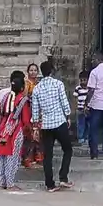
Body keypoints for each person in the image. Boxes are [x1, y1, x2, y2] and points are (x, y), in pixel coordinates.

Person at [31, 59, 74, 192]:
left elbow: (35, 109)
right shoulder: (58, 84)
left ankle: (49, 184)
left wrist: (35, 127)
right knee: (67, 149)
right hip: (59, 122)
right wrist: (68, 116)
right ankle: (63, 177)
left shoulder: (37, 88)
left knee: (47, 155)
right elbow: (64, 102)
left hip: (46, 125)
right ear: (52, 71)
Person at [0, 70, 30, 191]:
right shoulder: (22, 100)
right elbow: (25, 120)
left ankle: (2, 180)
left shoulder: (5, 97)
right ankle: (10, 183)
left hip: (2, 129)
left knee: (2, 155)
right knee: (12, 156)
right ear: (21, 88)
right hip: (15, 131)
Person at [22, 62, 43, 168]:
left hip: (38, 111)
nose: (33, 72)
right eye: (31, 70)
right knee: (30, 134)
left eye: (35, 70)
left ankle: (38, 156)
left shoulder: (39, 83)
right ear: (28, 72)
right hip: (29, 110)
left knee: (38, 134)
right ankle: (28, 158)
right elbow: (25, 97)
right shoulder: (26, 84)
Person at [74, 69, 92, 145]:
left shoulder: (90, 89)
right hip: (80, 109)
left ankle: (87, 137)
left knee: (88, 124)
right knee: (81, 124)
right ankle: (81, 138)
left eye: (84, 80)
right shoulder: (78, 88)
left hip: (88, 109)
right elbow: (75, 98)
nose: (83, 82)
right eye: (81, 80)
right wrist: (76, 108)